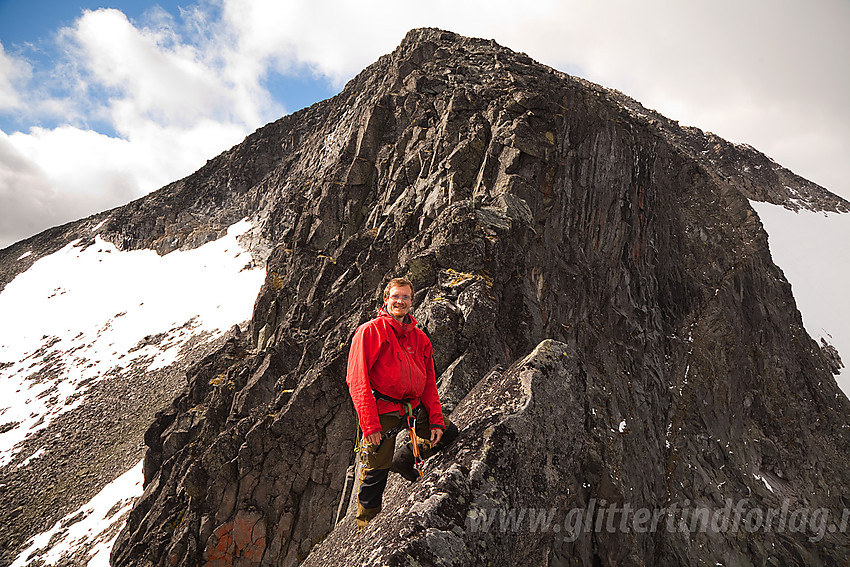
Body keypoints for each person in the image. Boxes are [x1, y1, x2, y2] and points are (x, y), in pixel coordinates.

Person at [346, 277, 459, 529]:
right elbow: (357, 380)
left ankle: (405, 458)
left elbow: (430, 382)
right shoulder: (370, 331)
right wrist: (370, 425)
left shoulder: (420, 338)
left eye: (405, 297)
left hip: (414, 407)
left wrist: (436, 420)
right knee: (375, 472)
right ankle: (366, 525)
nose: (400, 301)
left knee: (449, 433)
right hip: (383, 409)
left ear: (412, 301)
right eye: (396, 296)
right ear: (386, 300)